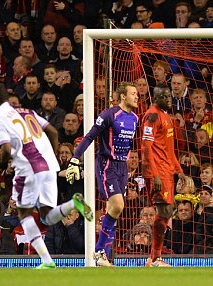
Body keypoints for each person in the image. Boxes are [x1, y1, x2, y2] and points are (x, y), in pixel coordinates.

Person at [0, 84, 93, 269]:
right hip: (49, 166)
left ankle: (47, 261)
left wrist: (3, 166)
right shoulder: (26, 111)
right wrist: (51, 156)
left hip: (28, 168)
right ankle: (72, 204)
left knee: (24, 214)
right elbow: (53, 131)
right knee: (46, 216)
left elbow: (5, 149)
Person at [65, 82, 139, 266]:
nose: (137, 97)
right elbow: (89, 136)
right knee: (117, 205)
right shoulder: (109, 115)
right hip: (107, 164)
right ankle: (99, 252)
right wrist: (75, 159)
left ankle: (102, 255)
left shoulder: (135, 118)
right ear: (123, 96)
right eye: (133, 94)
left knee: (114, 210)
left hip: (123, 167)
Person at [141, 84, 186, 267]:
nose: (168, 100)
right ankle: (156, 257)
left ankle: (154, 258)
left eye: (169, 97)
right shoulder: (152, 115)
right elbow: (146, 147)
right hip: (157, 172)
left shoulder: (166, 116)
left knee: (167, 211)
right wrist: (155, 175)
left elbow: (169, 149)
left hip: (167, 170)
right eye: (163, 97)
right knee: (164, 211)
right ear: (154, 98)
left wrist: (179, 170)